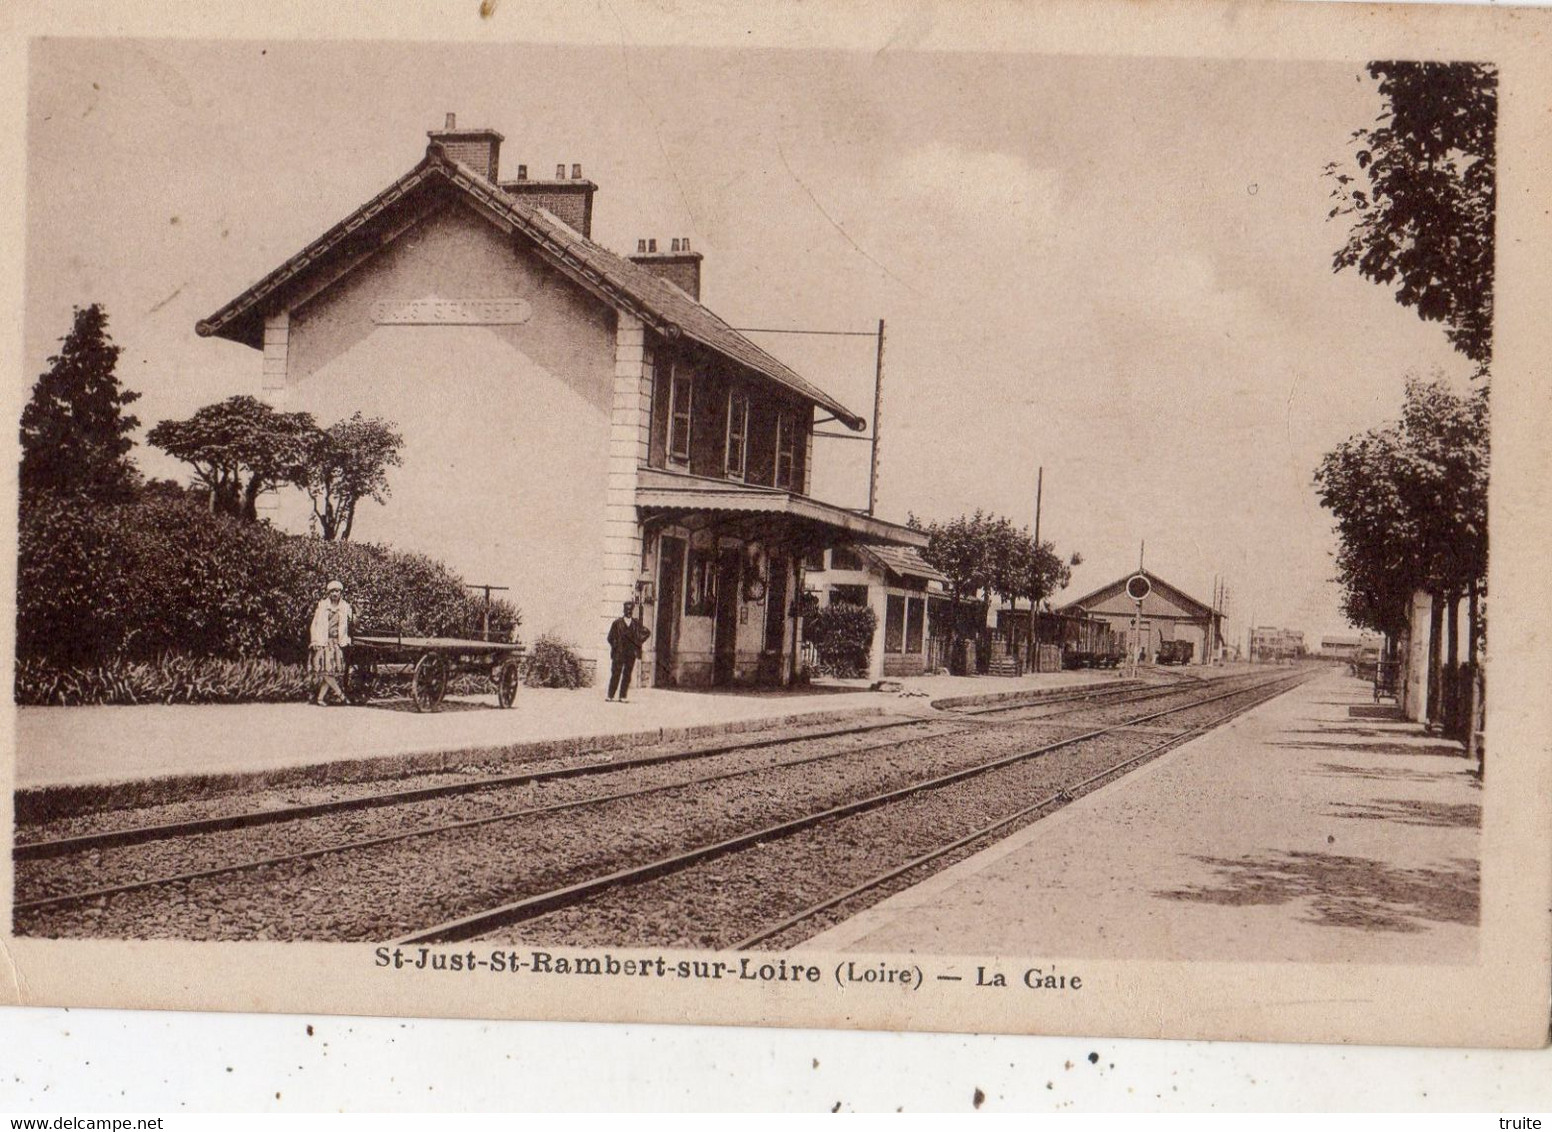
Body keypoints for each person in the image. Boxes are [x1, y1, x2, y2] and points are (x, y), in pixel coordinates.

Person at [309, 580, 353, 706]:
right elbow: (314, 624)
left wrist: (347, 638)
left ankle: (320, 698)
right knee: (326, 672)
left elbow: (350, 624)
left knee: (330, 672)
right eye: (332, 591)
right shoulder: (322, 606)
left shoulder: (345, 607)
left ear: (341, 593)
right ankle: (341, 695)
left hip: (336, 643)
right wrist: (315, 640)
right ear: (328, 593)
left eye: (337, 591)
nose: (335, 593)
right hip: (323, 642)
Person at [606, 601, 651, 702]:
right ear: (623, 610)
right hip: (619, 653)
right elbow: (610, 637)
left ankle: (623, 696)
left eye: (630, 610)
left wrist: (638, 642)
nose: (628, 612)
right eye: (627, 610)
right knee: (615, 674)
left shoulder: (636, 623)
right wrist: (616, 646)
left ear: (632, 610)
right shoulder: (617, 623)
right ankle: (610, 695)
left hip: (630, 653)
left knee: (627, 675)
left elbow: (647, 632)